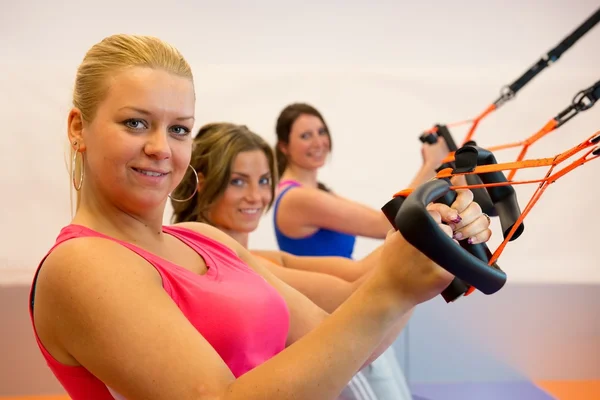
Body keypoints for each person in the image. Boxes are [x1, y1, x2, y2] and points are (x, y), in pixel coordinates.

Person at [28, 33, 492, 400]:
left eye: (178, 129)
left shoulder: (203, 239)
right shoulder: (82, 265)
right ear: (78, 129)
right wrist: (394, 286)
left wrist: (427, 255)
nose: (160, 147)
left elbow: (350, 343)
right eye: (135, 122)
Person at [169, 122, 491, 400]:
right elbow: (358, 284)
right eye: (238, 181)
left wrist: (437, 227)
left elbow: (358, 275)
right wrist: (431, 232)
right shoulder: (290, 202)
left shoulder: (260, 256)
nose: (256, 196)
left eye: (264, 180)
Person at [272, 103, 456, 258]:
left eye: (321, 132)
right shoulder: (299, 198)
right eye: (305, 136)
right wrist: (432, 163)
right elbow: (386, 224)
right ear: (284, 147)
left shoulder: (315, 191)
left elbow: (384, 218)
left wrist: (429, 167)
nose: (318, 142)